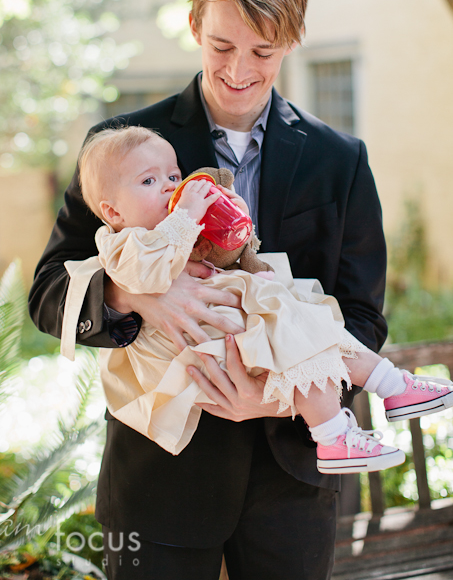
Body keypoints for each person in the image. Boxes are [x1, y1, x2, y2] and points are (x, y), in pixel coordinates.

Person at [29, 0, 395, 578]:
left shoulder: (342, 163)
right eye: (222, 46)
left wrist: (278, 397)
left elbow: (361, 319)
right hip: (156, 488)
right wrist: (132, 295)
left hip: (292, 487)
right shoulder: (120, 149)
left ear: (294, 37)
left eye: (264, 51)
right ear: (195, 23)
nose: (238, 70)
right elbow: (47, 294)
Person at [60, 125, 452, 469]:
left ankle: (390, 388)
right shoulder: (122, 243)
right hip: (199, 351)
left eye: (173, 175)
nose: (167, 186)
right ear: (112, 211)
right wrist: (186, 217)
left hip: (230, 332)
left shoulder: (169, 229)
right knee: (295, 335)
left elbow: (221, 255)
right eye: (148, 182)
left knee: (312, 326)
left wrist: (229, 224)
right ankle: (336, 434)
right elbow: (146, 272)